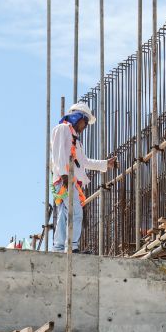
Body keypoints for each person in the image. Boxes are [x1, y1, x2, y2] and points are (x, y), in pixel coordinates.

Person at [50, 102, 116, 253]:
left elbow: (84, 162)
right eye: (85, 122)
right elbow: (58, 153)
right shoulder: (62, 129)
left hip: (67, 180)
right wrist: (64, 175)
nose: (85, 126)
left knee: (64, 213)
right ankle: (71, 247)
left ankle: (58, 248)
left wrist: (106, 164)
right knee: (76, 212)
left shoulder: (76, 140)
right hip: (63, 179)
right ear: (77, 117)